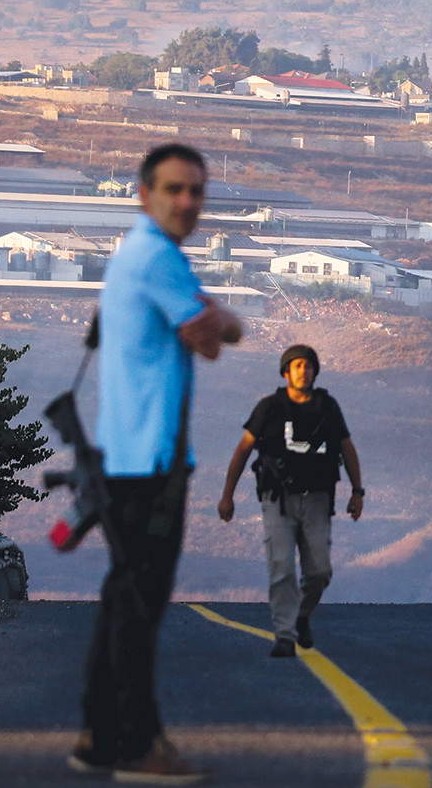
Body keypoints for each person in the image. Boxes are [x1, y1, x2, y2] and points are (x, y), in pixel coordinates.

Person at [71, 143, 242, 784]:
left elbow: (206, 335)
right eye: (173, 189)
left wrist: (215, 325)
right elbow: (213, 336)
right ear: (144, 194)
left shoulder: (135, 255)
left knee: (122, 597)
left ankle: (97, 734)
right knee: (140, 606)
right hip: (151, 460)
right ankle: (138, 745)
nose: (187, 202)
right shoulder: (157, 258)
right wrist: (224, 319)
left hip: (127, 453)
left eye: (196, 191)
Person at [217, 344, 364, 656]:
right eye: (296, 366)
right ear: (286, 372)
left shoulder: (328, 407)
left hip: (319, 501)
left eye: (308, 366)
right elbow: (243, 450)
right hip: (278, 500)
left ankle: (301, 616)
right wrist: (227, 496)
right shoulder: (269, 408)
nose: (303, 371)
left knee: (320, 572)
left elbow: (347, 448)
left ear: (315, 371)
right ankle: (284, 635)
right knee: (281, 566)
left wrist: (357, 491)